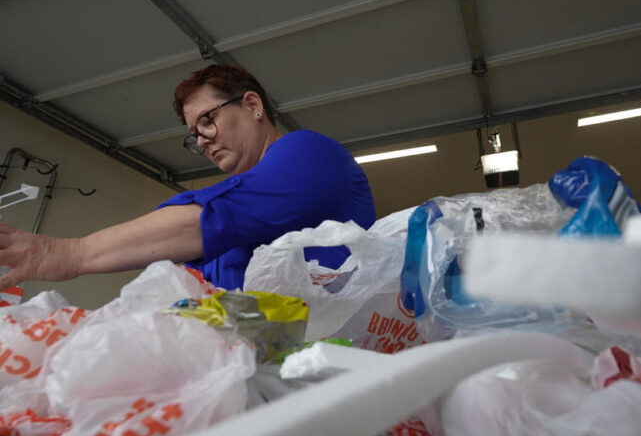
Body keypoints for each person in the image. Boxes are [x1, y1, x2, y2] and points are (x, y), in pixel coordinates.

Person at [0, 64, 376, 291]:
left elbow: (206, 219)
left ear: (253, 105)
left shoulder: (310, 153)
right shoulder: (235, 217)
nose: (202, 139)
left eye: (208, 120)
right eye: (194, 133)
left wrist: (69, 253)